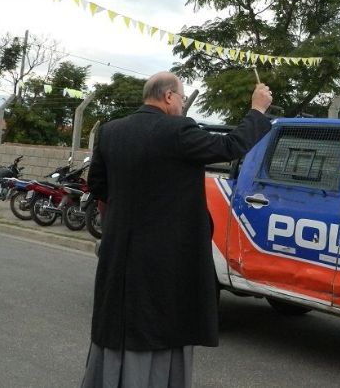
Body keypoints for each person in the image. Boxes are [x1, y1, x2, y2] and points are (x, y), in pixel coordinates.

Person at [81, 72, 272, 387]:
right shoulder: (177, 130)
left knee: (117, 321)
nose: (183, 104)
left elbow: (98, 186)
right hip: (165, 255)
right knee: (160, 326)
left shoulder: (112, 132)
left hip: (118, 250)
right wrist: (257, 110)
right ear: (169, 96)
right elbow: (231, 146)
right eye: (182, 98)